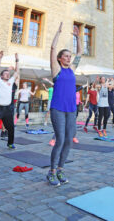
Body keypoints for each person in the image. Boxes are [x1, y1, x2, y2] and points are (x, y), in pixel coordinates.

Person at [46, 22, 82, 186]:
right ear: (60, 59)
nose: (69, 57)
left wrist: (78, 37)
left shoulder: (72, 69)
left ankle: (60, 170)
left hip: (71, 110)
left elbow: (80, 53)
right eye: (66, 56)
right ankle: (51, 172)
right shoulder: (57, 69)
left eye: (69, 56)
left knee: (68, 140)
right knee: (60, 139)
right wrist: (58, 33)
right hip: (58, 109)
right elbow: (52, 50)